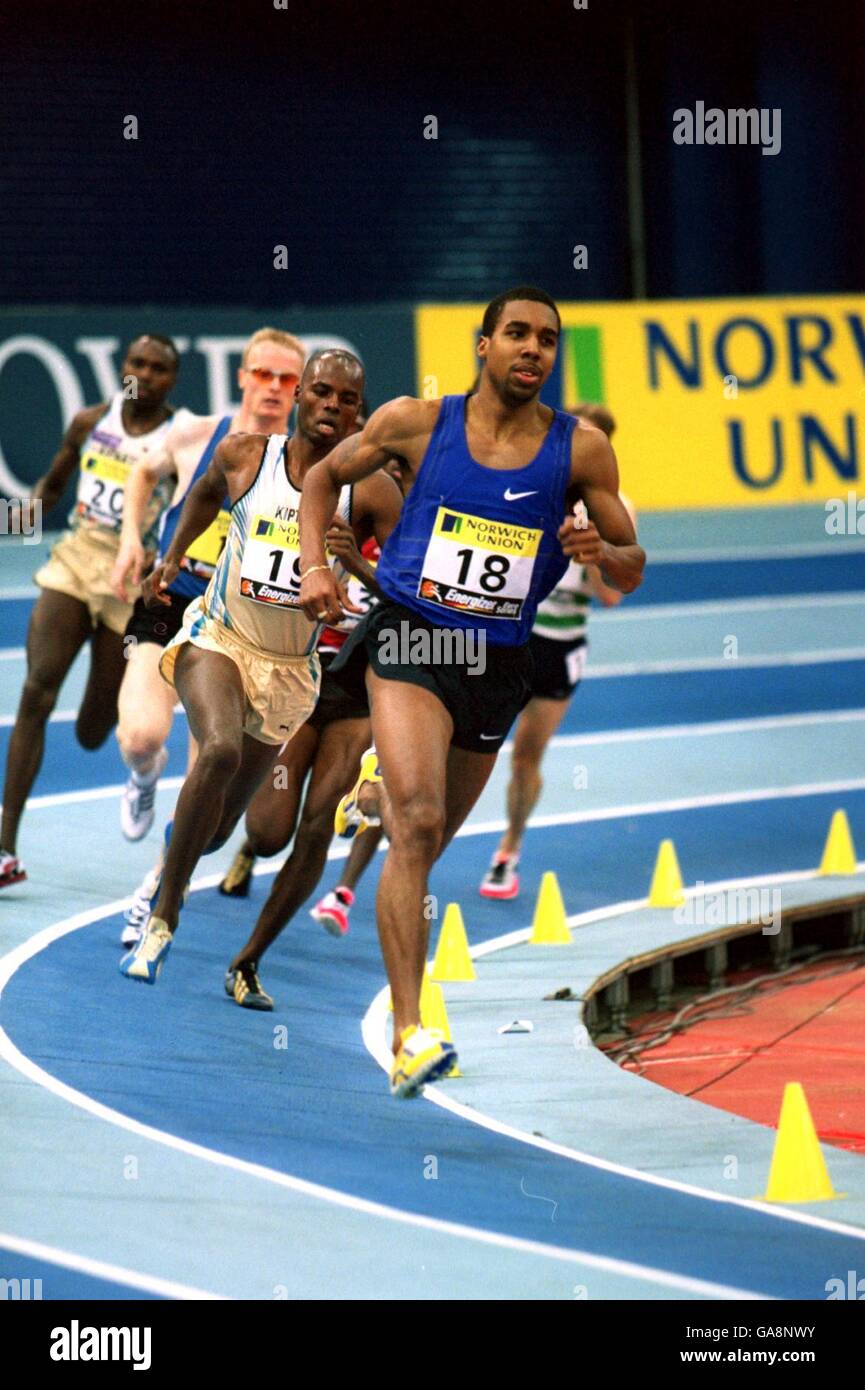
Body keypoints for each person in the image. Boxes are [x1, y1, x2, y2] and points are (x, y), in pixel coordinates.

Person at [298, 287, 645, 1098]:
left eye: (548, 340)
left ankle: (378, 797)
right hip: (413, 636)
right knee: (417, 824)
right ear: (481, 345)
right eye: (517, 334)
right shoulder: (416, 422)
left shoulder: (582, 451)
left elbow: (630, 570)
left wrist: (599, 551)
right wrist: (317, 565)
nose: (533, 350)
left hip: (501, 662)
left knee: (424, 838)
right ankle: (410, 1030)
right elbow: (319, 480)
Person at [118, 350, 397, 1006]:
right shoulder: (246, 455)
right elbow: (205, 493)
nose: (331, 406)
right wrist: (174, 552)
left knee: (225, 830)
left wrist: (356, 567)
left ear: (360, 412)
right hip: (218, 638)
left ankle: (186, 844)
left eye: (346, 400)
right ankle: (164, 915)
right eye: (320, 393)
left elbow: (408, 593)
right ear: (300, 395)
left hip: (291, 673)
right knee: (214, 748)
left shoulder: (373, 489)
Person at [109, 330, 304, 943]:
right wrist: (131, 541)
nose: (274, 388)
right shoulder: (199, 435)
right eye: (264, 375)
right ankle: (143, 776)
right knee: (140, 735)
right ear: (243, 376)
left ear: (298, 391)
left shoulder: (306, 468)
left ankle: (160, 886)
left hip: (234, 629)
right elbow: (142, 474)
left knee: (209, 783)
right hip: (175, 597)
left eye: (287, 380)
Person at [0, 335, 179, 889]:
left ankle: (135, 756)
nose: (143, 374)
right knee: (37, 690)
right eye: (136, 363)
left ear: (172, 379)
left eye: (157, 368)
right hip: (77, 563)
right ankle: (5, 848)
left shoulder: (180, 442)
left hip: (130, 584)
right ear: (122, 367)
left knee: (92, 732)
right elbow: (51, 489)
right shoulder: (89, 423)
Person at [217, 520, 400, 1010]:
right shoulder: (321, 509)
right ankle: (247, 844)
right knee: (269, 834)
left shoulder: (410, 526)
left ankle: (248, 961)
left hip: (358, 694)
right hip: (300, 677)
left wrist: (361, 567)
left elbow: (415, 605)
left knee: (318, 825)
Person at [480, 403, 637, 899]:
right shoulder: (531, 487)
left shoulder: (619, 509)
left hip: (562, 644)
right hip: (513, 634)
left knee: (525, 757)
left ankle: (509, 849)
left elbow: (613, 595)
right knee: (471, 739)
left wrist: (592, 552)